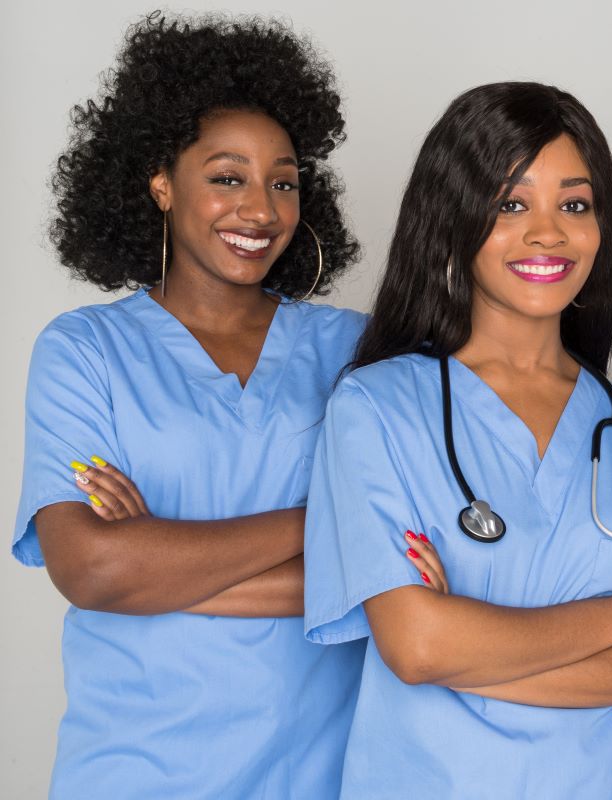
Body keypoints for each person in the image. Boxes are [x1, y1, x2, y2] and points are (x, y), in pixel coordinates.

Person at [303, 81, 612, 799]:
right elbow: (416, 644)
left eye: (575, 204)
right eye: (511, 204)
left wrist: (475, 648)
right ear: (454, 218)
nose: (547, 232)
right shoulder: (377, 407)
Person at [13, 12, 365, 798]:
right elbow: (95, 568)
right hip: (136, 770)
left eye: (283, 181)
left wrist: (161, 561)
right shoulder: (84, 351)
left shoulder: (356, 351)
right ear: (162, 181)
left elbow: (394, 576)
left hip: (325, 772)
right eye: (227, 176)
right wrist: (321, 526)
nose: (262, 209)